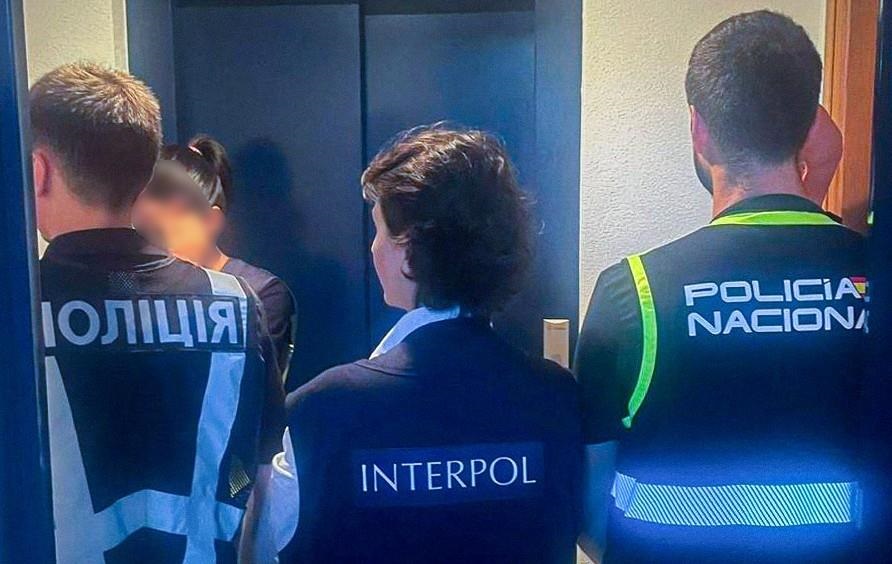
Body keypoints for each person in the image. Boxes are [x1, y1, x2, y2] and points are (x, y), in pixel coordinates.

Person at [575, 11, 866, 563]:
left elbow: (590, 511)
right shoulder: (876, 274)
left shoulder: (633, 294)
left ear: (699, 128)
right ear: (809, 125)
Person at [248, 125, 582, 563]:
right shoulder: (556, 396)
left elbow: (267, 547)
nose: (373, 248)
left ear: (408, 249)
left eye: (379, 230)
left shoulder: (322, 409)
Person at [33, 62, 284, 562]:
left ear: (38, 171)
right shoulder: (234, 303)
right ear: (146, 173)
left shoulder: (19, 309)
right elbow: (262, 478)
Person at [133, 135, 297, 380]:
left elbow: (250, 385)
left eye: (164, 234)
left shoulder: (260, 292)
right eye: (143, 235)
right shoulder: (135, 288)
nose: (155, 249)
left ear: (210, 221)